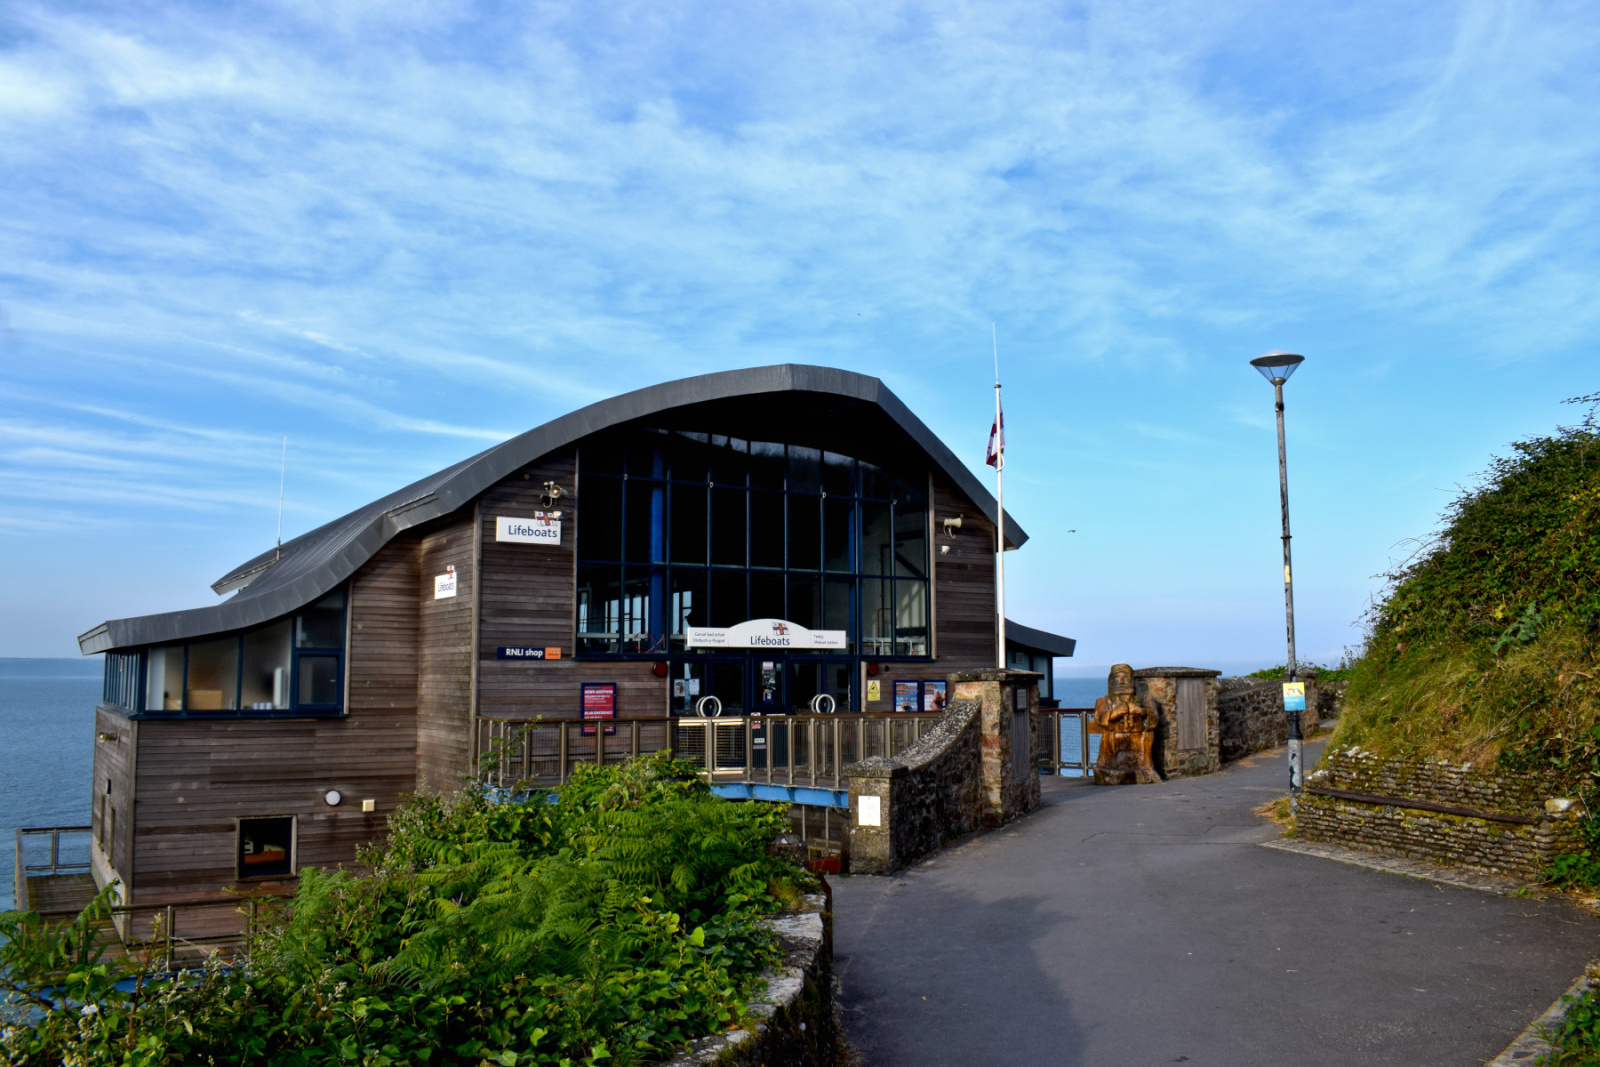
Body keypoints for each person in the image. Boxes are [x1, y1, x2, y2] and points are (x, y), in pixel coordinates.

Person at [1093, 663, 1160, 785]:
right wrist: (1114, 713)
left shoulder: (1145, 699)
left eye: (1125, 678)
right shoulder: (1103, 701)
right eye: (1117, 678)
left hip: (1137, 738)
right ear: (1111, 681)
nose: (1121, 681)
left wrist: (1142, 711)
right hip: (1114, 740)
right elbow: (1100, 718)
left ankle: (1145, 765)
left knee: (1148, 734)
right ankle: (1110, 768)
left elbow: (1154, 717)